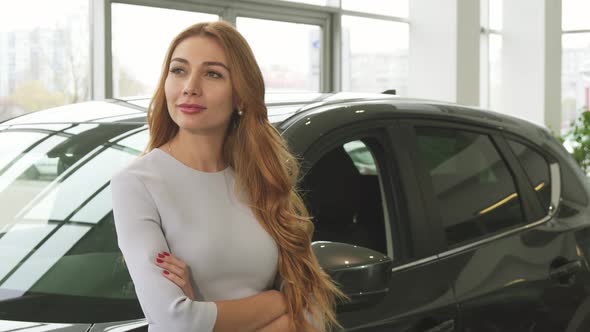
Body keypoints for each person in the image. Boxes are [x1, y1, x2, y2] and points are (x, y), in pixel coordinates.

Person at [110, 20, 345, 332]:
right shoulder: (137, 183)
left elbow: (312, 309)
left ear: (241, 96)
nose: (190, 86)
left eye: (212, 74)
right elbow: (176, 320)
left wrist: (207, 313)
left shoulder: (259, 177)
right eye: (179, 70)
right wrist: (280, 302)